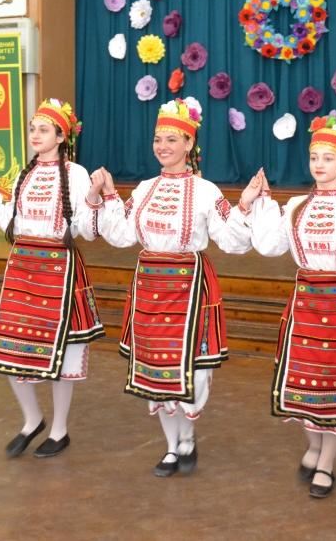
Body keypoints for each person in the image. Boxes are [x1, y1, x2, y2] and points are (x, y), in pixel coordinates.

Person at [88, 97, 252, 477]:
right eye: (158, 139)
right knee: (155, 366)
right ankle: (170, 446)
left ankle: (188, 438)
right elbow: (121, 234)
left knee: (191, 369)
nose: (162, 146)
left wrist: (244, 206)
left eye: (172, 139)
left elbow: (231, 240)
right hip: (150, 288)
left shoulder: (206, 191)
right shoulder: (145, 188)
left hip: (190, 287)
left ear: (189, 143)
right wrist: (108, 194)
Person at [241, 114, 336, 499]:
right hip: (307, 303)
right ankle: (313, 445)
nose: (319, 164)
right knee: (305, 381)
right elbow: (269, 245)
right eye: (314, 157)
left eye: (328, 158)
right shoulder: (296, 205)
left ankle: (326, 461)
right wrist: (261, 202)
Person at [0, 98, 104, 458]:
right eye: (33, 128)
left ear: (61, 136)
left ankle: (59, 429)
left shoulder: (76, 174)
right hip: (23, 268)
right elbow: (11, 221)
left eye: (44, 130)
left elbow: (85, 229)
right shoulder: (25, 173)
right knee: (10, 347)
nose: (35, 134)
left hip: (59, 269)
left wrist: (94, 198)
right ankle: (32, 419)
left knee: (63, 356)